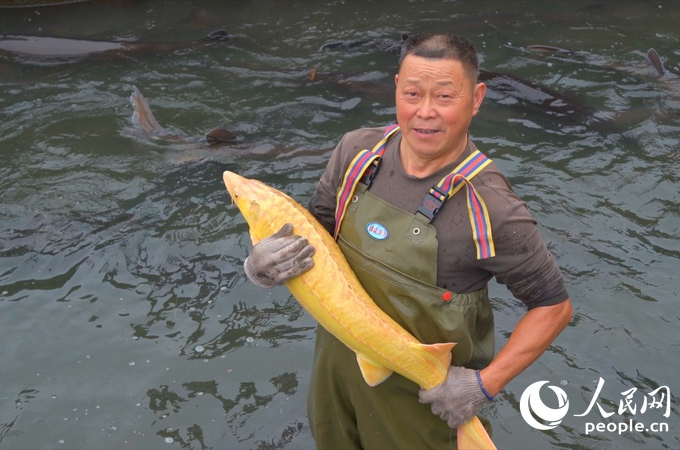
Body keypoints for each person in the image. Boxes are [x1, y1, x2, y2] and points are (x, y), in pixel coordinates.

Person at [243, 32, 573, 449]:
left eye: (445, 97)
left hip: (421, 405)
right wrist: (261, 265)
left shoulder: (492, 208)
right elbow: (314, 241)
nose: (425, 113)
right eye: (413, 94)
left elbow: (554, 308)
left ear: (476, 98)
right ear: (397, 86)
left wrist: (481, 386)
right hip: (335, 379)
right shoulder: (356, 154)